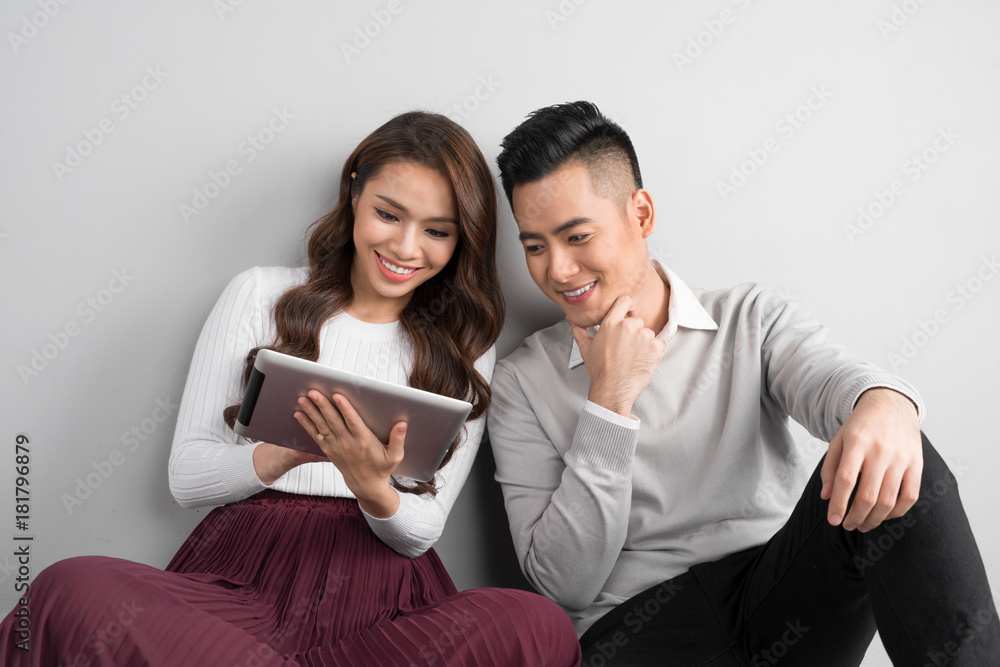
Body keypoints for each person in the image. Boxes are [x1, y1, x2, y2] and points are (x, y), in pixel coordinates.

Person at [0, 111, 581, 666]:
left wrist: (371, 484)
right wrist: (285, 453)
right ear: (354, 193)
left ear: (461, 241)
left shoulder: (465, 343)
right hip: (244, 577)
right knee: (69, 587)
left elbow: (421, 532)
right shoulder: (259, 294)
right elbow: (187, 476)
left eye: (437, 232)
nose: (406, 248)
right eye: (388, 214)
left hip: (385, 605)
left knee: (536, 624)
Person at [487, 100, 999, 666]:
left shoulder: (748, 319)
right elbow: (563, 584)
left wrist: (887, 403)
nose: (557, 270)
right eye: (535, 246)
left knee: (900, 457)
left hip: (780, 592)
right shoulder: (520, 382)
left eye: (577, 236)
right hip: (639, 629)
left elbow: (835, 384)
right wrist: (610, 401)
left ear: (641, 215)